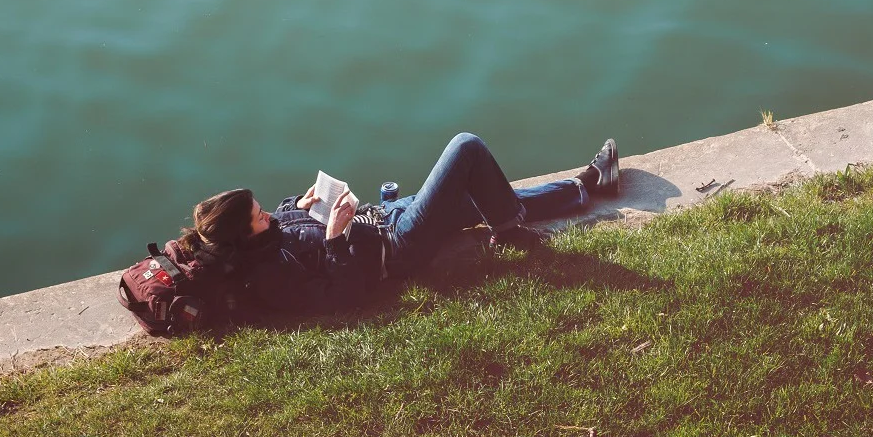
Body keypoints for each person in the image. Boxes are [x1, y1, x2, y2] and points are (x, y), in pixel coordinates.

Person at [169, 134, 619, 317]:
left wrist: (302, 204)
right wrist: (334, 240)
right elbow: (342, 298)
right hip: (397, 246)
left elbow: (286, 223)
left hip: (382, 218)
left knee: (476, 195)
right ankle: (510, 229)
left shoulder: (262, 239)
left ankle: (585, 185)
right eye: (259, 216)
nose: (269, 214)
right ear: (243, 236)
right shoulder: (270, 275)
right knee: (466, 149)